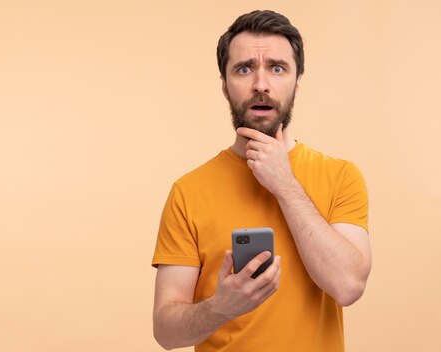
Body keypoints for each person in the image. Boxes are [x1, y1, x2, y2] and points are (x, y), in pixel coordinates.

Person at [151, 10, 371, 352]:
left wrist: (284, 183)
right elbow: (166, 332)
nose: (261, 84)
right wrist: (220, 307)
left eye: (277, 68)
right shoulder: (188, 192)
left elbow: (348, 286)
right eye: (244, 69)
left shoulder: (341, 176)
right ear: (225, 86)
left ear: (297, 82)